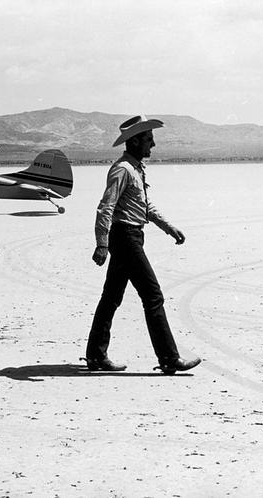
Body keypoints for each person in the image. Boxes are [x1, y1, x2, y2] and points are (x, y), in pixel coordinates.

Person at [83, 115, 202, 374]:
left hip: (132, 236)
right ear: (135, 141)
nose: (153, 145)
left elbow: (144, 206)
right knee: (153, 296)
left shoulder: (136, 168)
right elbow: (106, 206)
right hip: (125, 238)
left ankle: (95, 356)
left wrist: (169, 227)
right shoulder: (123, 169)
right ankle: (170, 358)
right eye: (149, 139)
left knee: (111, 298)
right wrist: (101, 243)